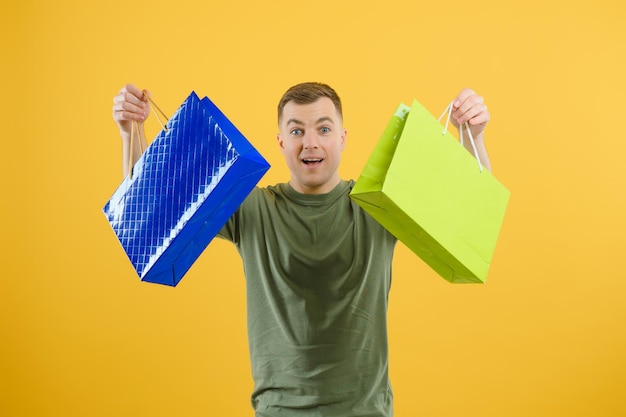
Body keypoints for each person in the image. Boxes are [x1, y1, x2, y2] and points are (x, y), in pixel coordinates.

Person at [112, 82, 491, 416]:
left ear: (342, 138)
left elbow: (472, 219)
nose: (310, 142)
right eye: (297, 130)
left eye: (323, 129)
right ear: (281, 142)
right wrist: (131, 133)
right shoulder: (252, 209)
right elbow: (153, 212)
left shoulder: (378, 207)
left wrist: (473, 137)